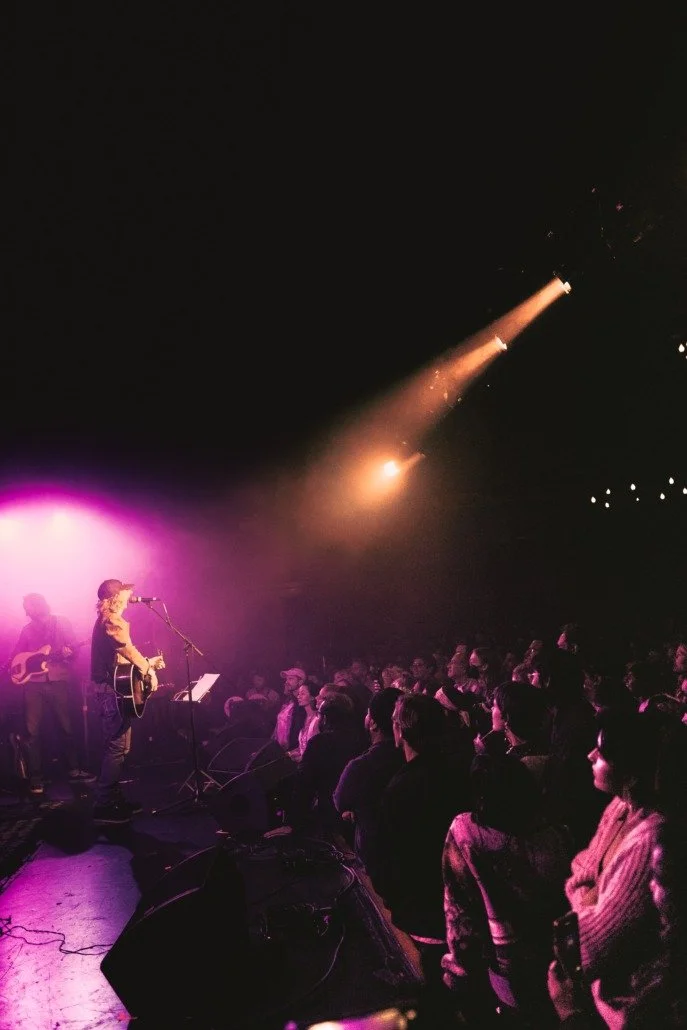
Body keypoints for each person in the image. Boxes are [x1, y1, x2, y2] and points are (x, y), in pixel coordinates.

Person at [89, 578, 165, 825]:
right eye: (124, 593)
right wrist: (148, 669)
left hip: (110, 690)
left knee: (120, 748)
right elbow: (126, 649)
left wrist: (147, 664)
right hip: (110, 692)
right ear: (116, 598)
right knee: (116, 747)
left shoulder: (109, 620)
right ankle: (103, 805)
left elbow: (120, 658)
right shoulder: (112, 620)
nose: (129, 596)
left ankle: (112, 798)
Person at [8, 592, 93, 796]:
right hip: (33, 685)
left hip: (57, 680)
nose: (25, 611)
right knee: (31, 731)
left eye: (27, 606)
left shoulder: (61, 622)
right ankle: (36, 778)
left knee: (66, 726)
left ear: (37, 606)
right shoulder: (26, 630)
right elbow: (17, 655)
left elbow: (74, 649)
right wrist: (18, 666)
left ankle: (73, 769)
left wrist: (69, 654)